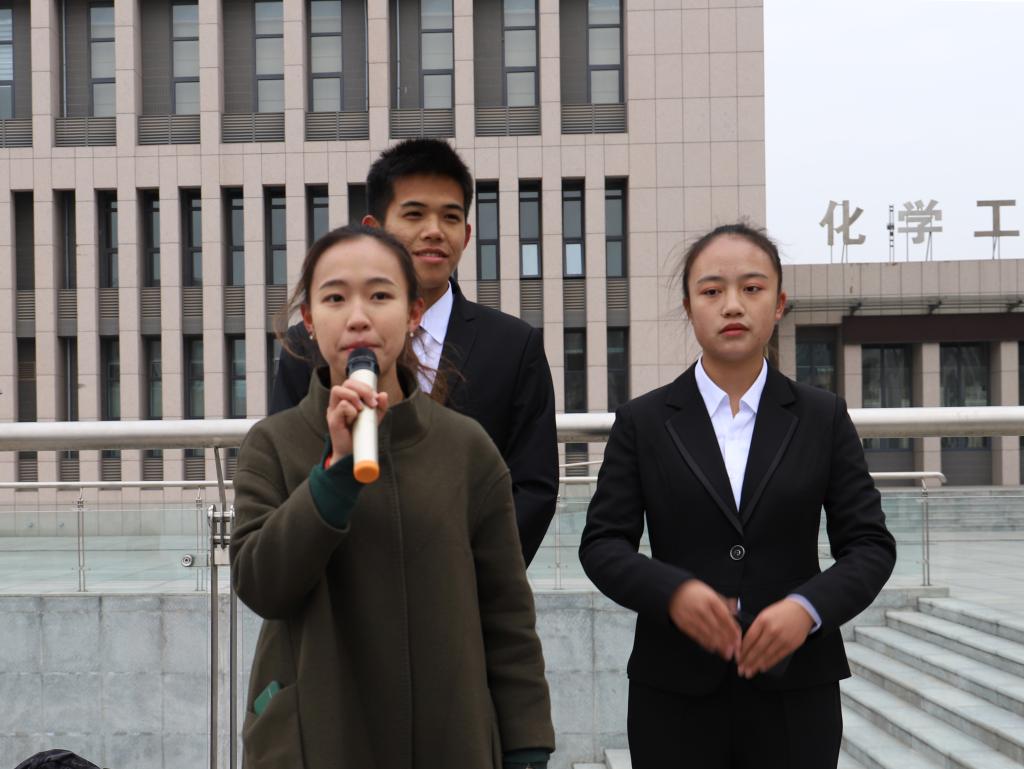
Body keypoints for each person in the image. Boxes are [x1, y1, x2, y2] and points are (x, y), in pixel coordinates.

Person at [231, 224, 555, 769]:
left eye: (380, 296)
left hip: (448, 736)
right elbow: (262, 585)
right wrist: (333, 475)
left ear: (413, 314)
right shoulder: (273, 443)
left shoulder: (466, 448)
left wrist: (527, 745)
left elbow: (506, 615)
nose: (358, 317)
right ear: (309, 318)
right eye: (335, 298)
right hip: (316, 737)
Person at [578, 223, 896, 769]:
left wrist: (807, 609)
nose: (732, 305)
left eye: (752, 288)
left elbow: (870, 544)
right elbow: (603, 543)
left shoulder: (822, 416)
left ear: (779, 304)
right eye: (711, 290)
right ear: (689, 307)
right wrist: (672, 593)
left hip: (796, 689)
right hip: (673, 693)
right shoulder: (643, 421)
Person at [270, 139, 558, 566]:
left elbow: (533, 487)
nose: (435, 231)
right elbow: (285, 472)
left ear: (467, 234)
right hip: (337, 579)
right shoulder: (308, 346)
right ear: (374, 228)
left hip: (464, 586)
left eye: (450, 217)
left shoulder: (514, 346)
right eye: (414, 214)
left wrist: (467, 576)